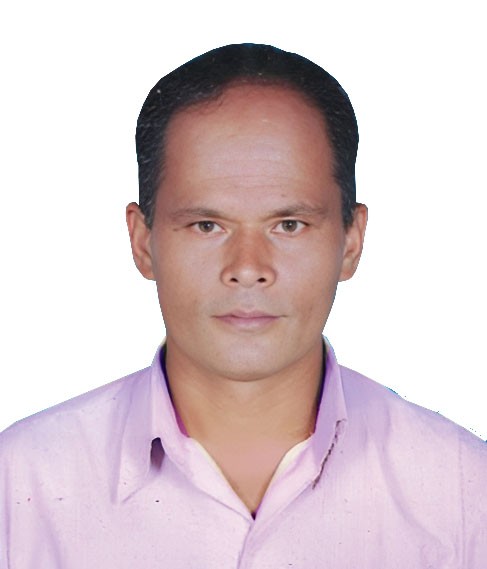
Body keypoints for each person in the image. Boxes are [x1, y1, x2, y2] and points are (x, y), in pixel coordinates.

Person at [0, 43, 485, 568]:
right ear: (143, 242)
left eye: (289, 225)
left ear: (351, 241)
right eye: (207, 225)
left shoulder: (464, 492)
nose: (248, 267)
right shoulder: (20, 484)